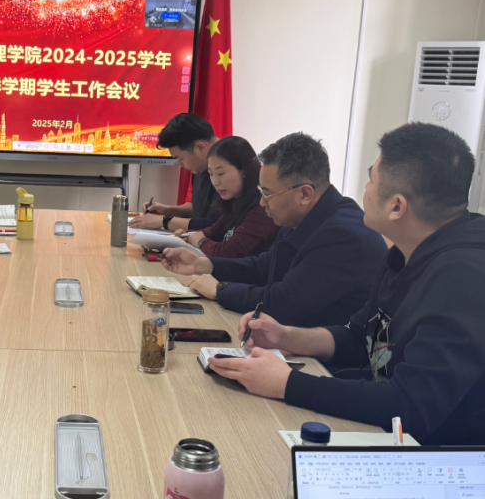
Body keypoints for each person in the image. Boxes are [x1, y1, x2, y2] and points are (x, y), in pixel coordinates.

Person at [206, 123, 485, 446]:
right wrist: (286, 336)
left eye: (371, 180)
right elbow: (359, 337)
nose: (364, 190)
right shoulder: (405, 253)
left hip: (436, 457)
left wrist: (288, 384)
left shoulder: (463, 276)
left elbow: (411, 405)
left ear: (396, 206)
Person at [162, 132, 387, 327]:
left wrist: (219, 290)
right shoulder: (304, 216)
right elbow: (266, 266)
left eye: (268, 194)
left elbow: (285, 302)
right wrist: (204, 264)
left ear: (304, 194)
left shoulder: (341, 235)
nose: (262, 202)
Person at [176, 136, 279, 258]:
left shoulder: (262, 208)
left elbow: (228, 251)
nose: (215, 182)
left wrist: (201, 242)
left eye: (221, 173)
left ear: (244, 170)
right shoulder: (236, 200)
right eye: (211, 174)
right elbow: (215, 231)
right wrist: (187, 235)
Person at [129, 114, 222, 232]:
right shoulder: (201, 165)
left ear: (200, 148)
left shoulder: (229, 169)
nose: (180, 164)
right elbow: (200, 208)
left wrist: (164, 221)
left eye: (180, 158)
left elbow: (213, 224)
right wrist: (167, 210)